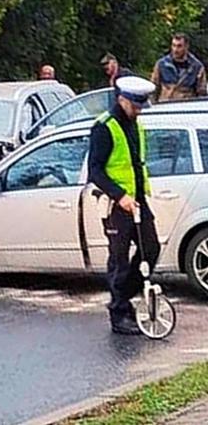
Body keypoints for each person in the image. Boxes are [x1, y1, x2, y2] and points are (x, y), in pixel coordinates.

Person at [88, 76, 160, 335]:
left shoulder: (136, 124)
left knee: (150, 250)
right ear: (122, 99)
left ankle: (123, 297)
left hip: (138, 201)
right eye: (135, 105)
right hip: (116, 205)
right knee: (118, 260)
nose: (139, 110)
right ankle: (119, 314)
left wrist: (138, 196)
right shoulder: (104, 127)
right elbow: (95, 171)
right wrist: (120, 195)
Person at [151, 32, 207, 101]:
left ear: (186, 46)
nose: (175, 50)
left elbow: (202, 93)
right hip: (165, 105)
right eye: (173, 45)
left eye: (179, 46)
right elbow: (153, 89)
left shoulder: (197, 67)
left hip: (187, 107)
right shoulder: (162, 64)